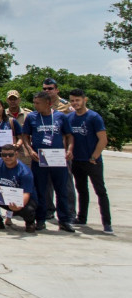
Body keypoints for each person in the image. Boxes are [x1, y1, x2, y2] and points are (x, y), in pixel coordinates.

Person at [21, 91, 75, 232]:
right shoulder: (31, 117)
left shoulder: (60, 117)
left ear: (48, 103)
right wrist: (30, 150)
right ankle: (41, 219)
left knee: (61, 189)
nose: (35, 105)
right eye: (34, 102)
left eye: (38, 103)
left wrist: (69, 150)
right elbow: (25, 136)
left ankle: (64, 220)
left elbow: (69, 135)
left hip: (57, 158)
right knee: (40, 190)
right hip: (40, 159)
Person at [67, 88, 112, 233]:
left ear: (84, 100)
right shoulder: (70, 118)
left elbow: (103, 139)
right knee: (81, 190)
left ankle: (107, 223)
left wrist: (94, 156)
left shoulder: (94, 117)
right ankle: (81, 217)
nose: (75, 103)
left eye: (78, 100)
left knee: (100, 191)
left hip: (92, 161)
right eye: (72, 101)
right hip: (77, 160)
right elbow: (68, 137)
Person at [0, 144, 38, 232]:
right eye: (4, 155)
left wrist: (17, 207)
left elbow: (26, 194)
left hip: (23, 200)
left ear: (16, 154)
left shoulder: (24, 172)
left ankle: (30, 223)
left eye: (10, 155)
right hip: (4, 197)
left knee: (29, 210)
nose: (7, 157)